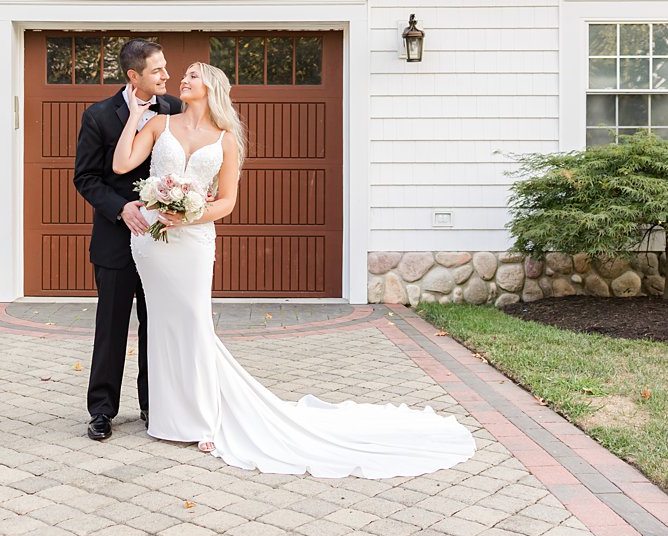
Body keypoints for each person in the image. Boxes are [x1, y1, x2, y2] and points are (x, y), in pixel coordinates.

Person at [113, 62, 477, 478]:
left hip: (193, 239)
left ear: (211, 86)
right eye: (185, 75)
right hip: (153, 241)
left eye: (193, 75)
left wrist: (190, 216)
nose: (184, 79)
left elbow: (227, 201)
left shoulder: (226, 139)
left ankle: (204, 419)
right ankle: (169, 420)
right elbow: (123, 165)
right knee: (160, 324)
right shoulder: (159, 124)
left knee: (195, 322)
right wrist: (135, 120)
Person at [73, 39, 183, 442]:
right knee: (111, 328)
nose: (167, 76)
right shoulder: (99, 115)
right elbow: (85, 178)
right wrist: (121, 208)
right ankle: (102, 410)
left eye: (167, 68)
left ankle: (155, 405)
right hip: (115, 242)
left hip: (163, 243)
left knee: (157, 327)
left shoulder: (174, 110)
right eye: (158, 71)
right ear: (133, 75)